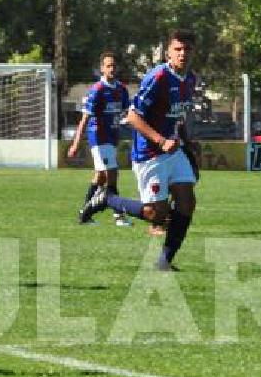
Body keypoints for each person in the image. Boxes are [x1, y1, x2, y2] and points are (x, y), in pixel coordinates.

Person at [81, 29, 201, 271]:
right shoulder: (157, 77)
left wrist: (187, 140)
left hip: (172, 150)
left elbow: (178, 115)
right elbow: (132, 117)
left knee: (187, 202)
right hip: (150, 153)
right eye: (178, 49)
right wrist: (160, 140)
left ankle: (164, 261)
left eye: (187, 49)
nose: (182, 54)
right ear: (168, 52)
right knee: (155, 214)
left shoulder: (190, 79)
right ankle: (108, 199)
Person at [69, 51, 132, 227]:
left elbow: (128, 114)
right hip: (98, 137)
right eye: (108, 66)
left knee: (100, 178)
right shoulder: (97, 90)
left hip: (112, 139)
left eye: (114, 65)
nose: (111, 69)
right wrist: (75, 143)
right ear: (102, 69)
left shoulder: (121, 89)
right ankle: (119, 215)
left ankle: (85, 212)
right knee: (112, 174)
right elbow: (85, 119)